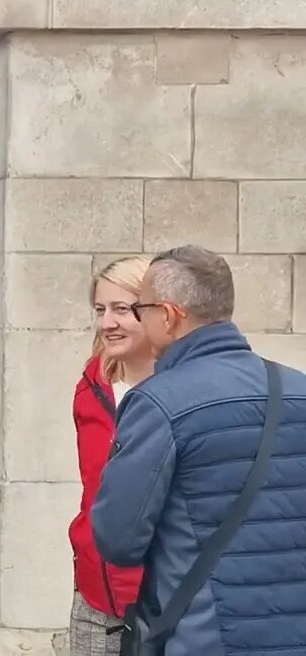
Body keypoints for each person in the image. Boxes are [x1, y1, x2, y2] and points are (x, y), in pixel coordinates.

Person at [93, 245, 306, 654]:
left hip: (206, 636)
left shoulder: (157, 404)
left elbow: (118, 539)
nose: (138, 319)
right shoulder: (297, 389)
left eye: (141, 309)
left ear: (169, 316)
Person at [68, 256, 152, 655]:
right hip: (96, 596)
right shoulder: (90, 387)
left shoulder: (188, 390)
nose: (107, 323)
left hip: (164, 595)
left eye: (122, 308)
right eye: (100, 310)